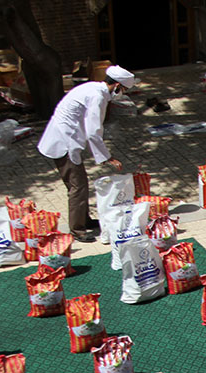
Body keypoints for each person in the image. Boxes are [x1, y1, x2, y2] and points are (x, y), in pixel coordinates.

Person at [37, 65, 134, 243]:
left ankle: (85, 220)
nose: (121, 94)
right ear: (117, 86)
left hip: (66, 137)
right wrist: (107, 157)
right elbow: (93, 131)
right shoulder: (98, 96)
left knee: (78, 184)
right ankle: (77, 229)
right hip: (64, 142)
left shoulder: (93, 88)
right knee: (77, 187)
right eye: (123, 90)